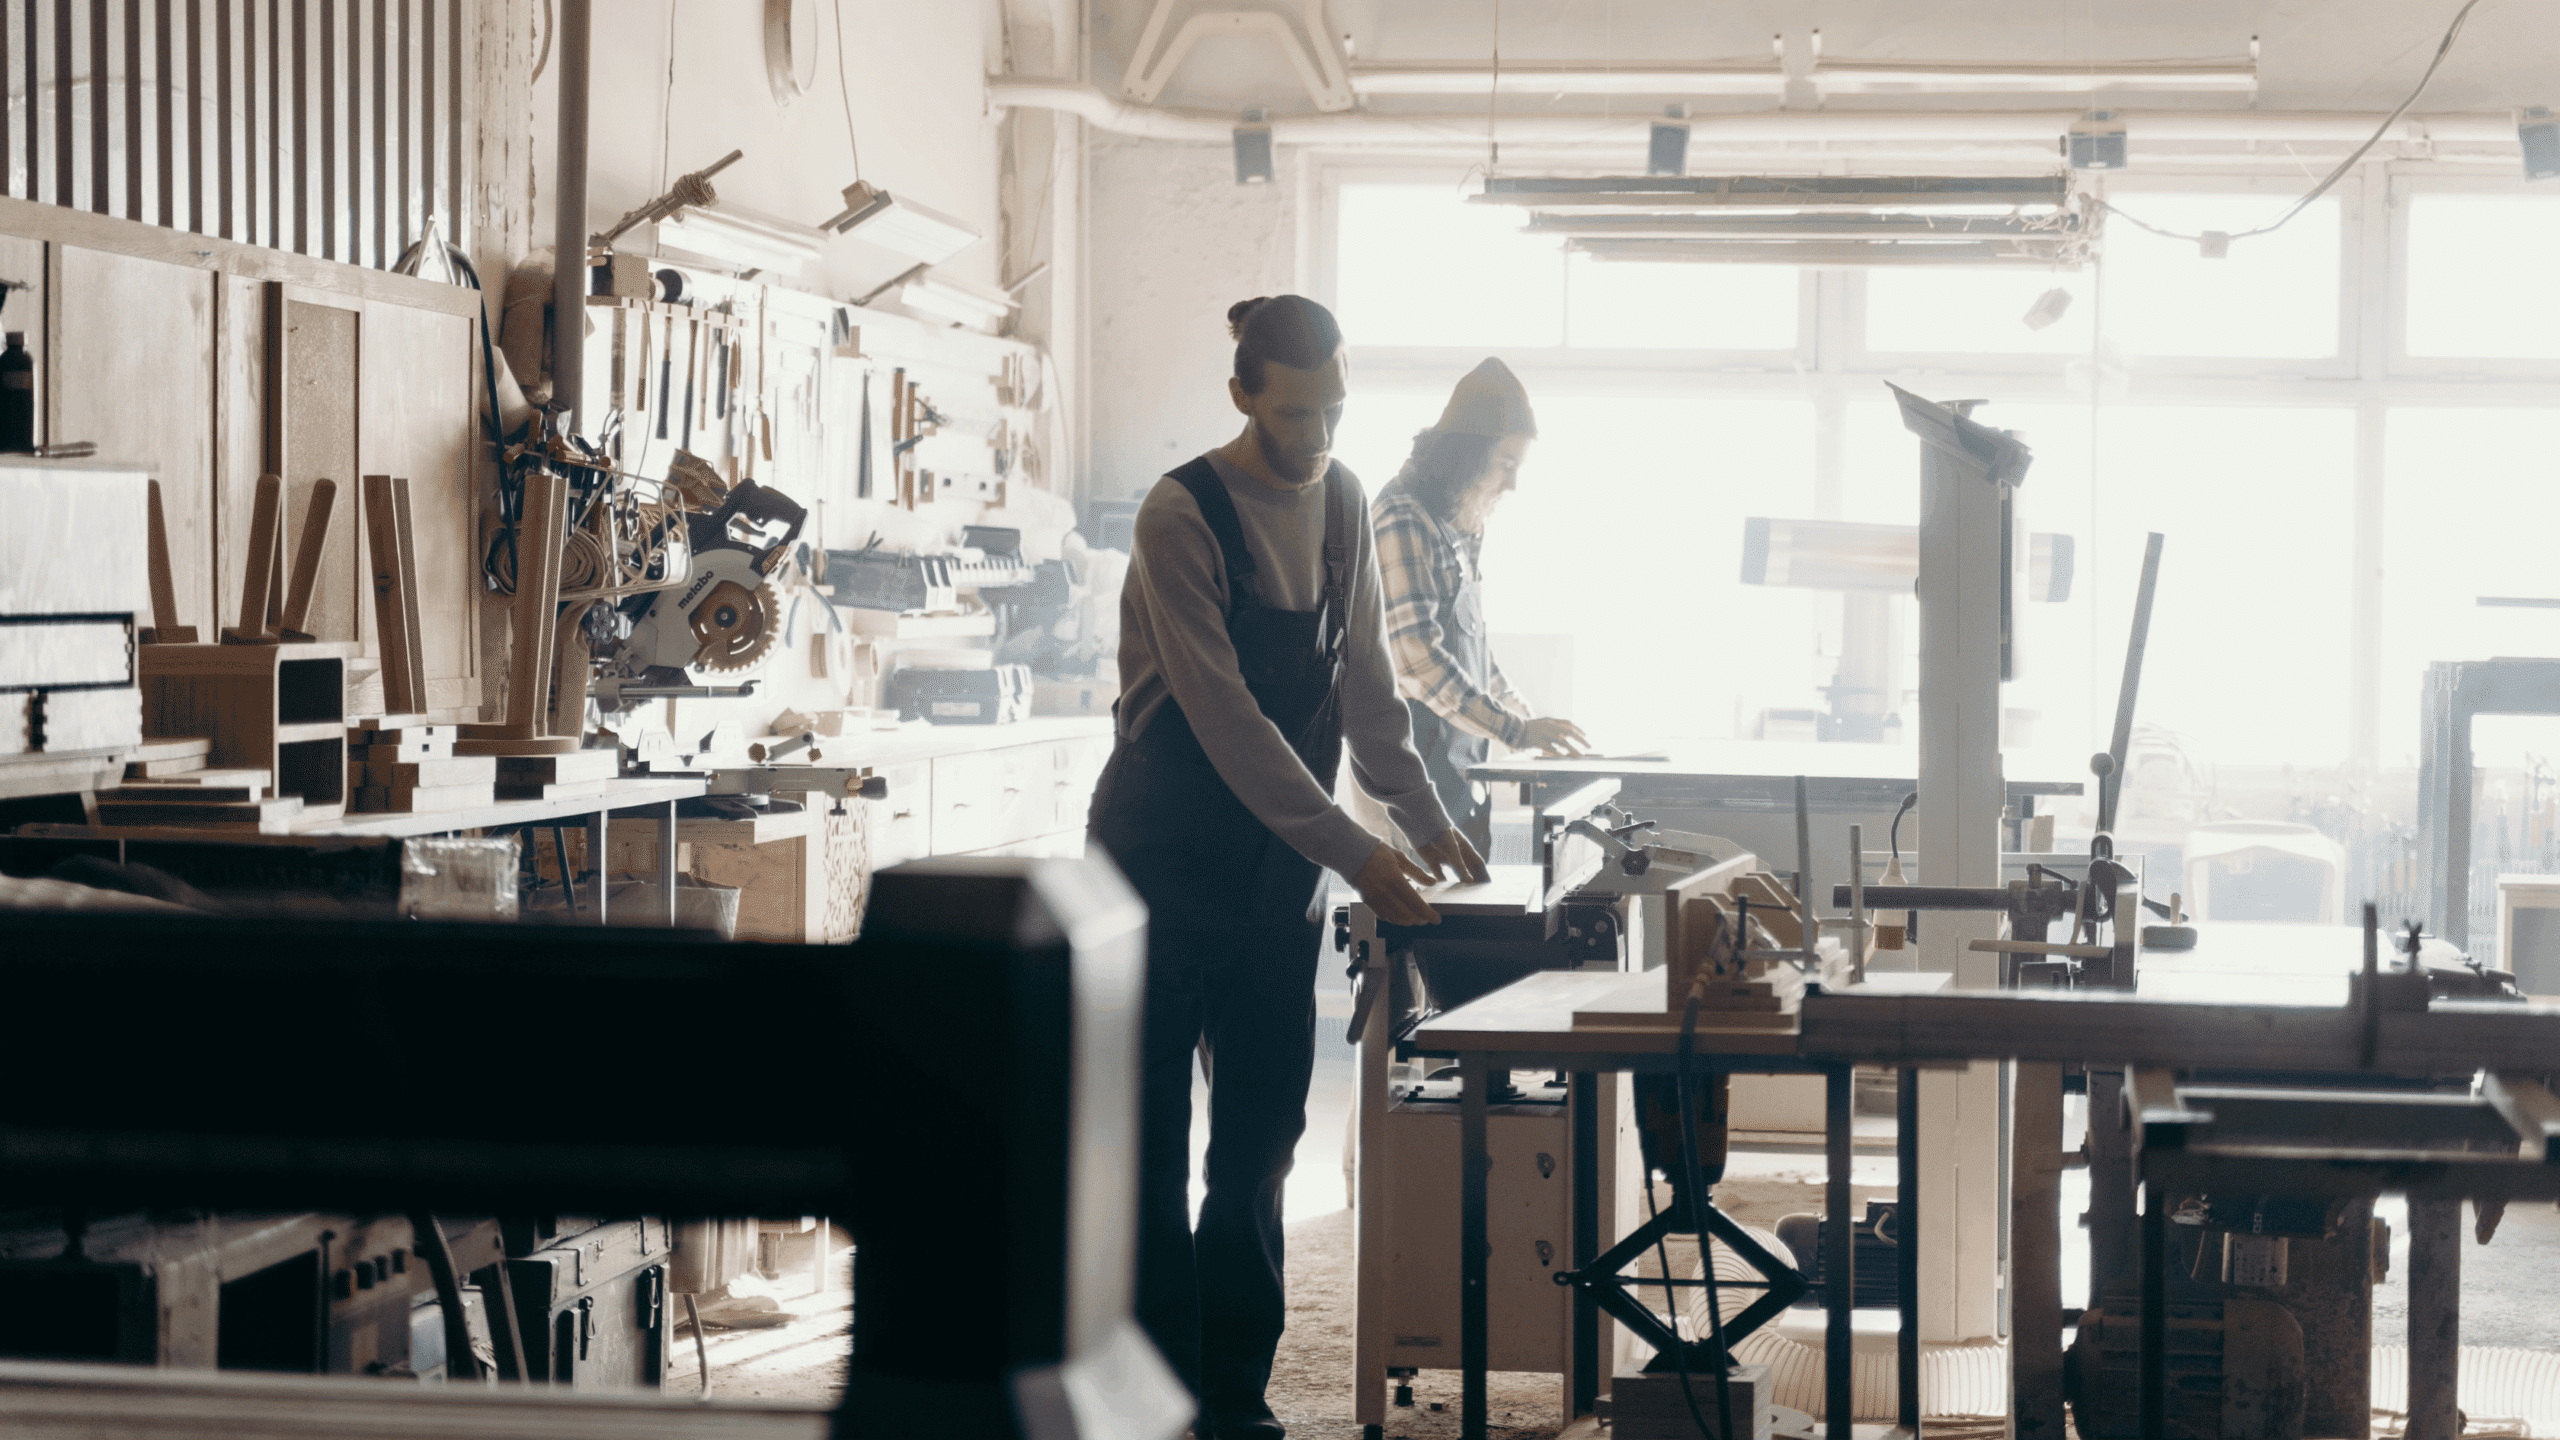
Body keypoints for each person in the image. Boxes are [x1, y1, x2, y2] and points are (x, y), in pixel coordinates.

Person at [1087, 294, 1488, 1440]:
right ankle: (1154, 1401)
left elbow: (1366, 687)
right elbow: (1228, 724)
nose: (1317, 438)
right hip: (1155, 866)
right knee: (1152, 1152)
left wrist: (1423, 813)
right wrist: (1360, 849)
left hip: (1275, 879)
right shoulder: (1181, 515)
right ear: (1241, 395)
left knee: (1261, 1143)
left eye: (1335, 412)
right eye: (1295, 414)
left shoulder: (1348, 500)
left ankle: (1233, 1398)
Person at [1371, 357, 1592, 855]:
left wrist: (1527, 721)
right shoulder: (1403, 517)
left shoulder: (1463, 520)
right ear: (1467, 455)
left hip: (1459, 772)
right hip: (1413, 785)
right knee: (1424, 928)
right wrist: (1515, 730)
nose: (1512, 484)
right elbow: (1418, 661)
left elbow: (1473, 647)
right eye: (1507, 464)